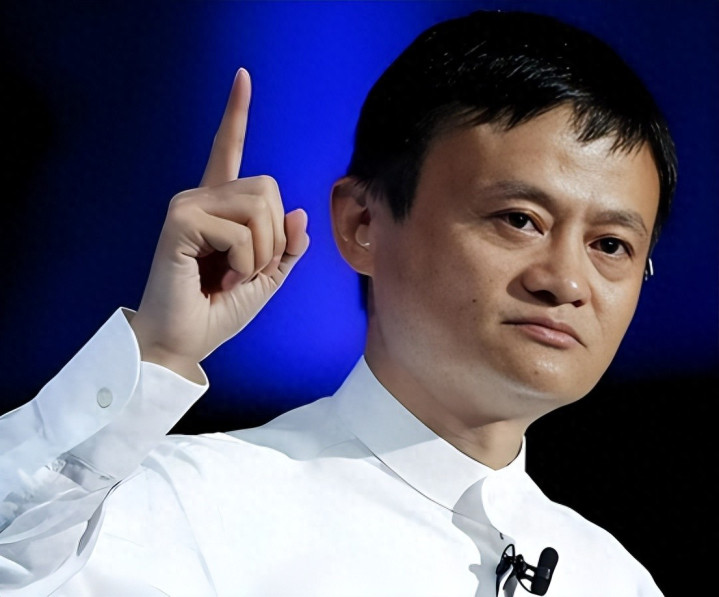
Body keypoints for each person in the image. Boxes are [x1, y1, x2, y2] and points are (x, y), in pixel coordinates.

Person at [0, 9, 676, 596]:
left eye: (611, 245)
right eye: (519, 219)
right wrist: (157, 350)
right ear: (362, 223)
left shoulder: (613, 579)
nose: (565, 280)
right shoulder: (192, 505)